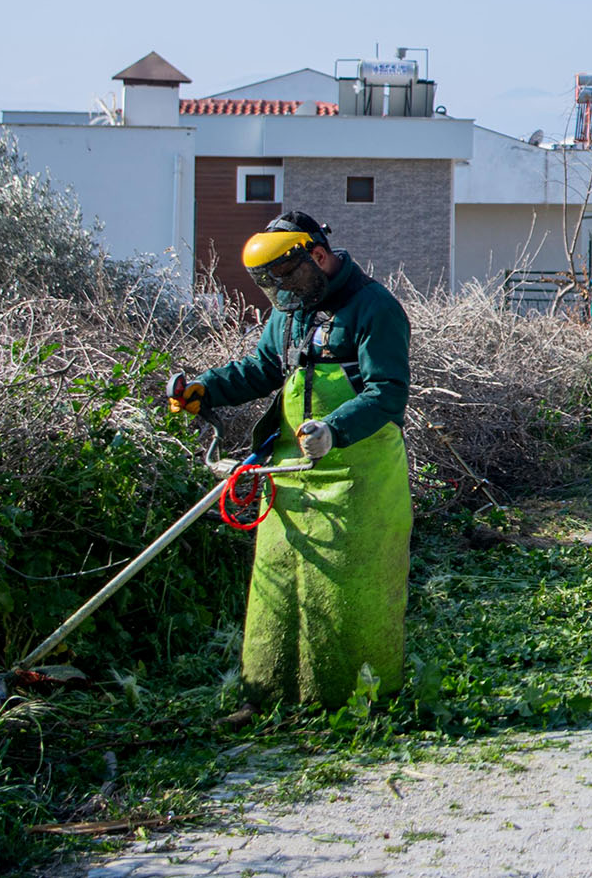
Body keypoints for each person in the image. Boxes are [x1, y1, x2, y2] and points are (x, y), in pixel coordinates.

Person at [166, 211, 412, 713]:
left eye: (287, 280)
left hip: (359, 476)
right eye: (271, 286)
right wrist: (204, 388)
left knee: (349, 590)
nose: (283, 295)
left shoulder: (374, 308)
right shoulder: (292, 309)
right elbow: (260, 369)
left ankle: (359, 698)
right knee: (276, 582)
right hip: (291, 475)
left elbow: (388, 393)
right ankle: (269, 695)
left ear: (317, 257)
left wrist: (334, 429)